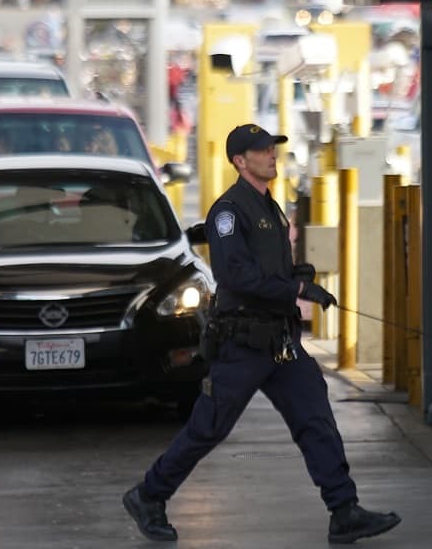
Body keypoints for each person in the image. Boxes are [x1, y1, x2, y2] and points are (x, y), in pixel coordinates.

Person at [122, 124, 402, 544]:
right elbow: (236, 275)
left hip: (281, 341)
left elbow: (268, 269)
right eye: (262, 150)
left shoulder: (270, 207)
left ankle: (344, 511)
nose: (272, 155)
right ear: (240, 161)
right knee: (209, 427)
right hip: (243, 343)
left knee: (314, 418)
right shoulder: (228, 212)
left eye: (273, 148)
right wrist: (297, 289)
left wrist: (297, 275)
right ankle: (149, 495)